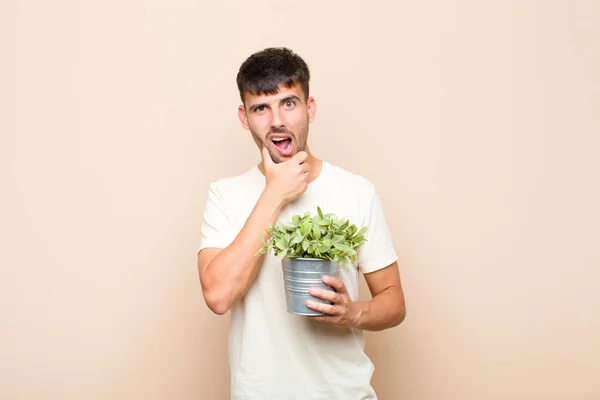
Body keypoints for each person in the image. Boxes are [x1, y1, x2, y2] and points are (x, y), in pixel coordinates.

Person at [197, 47, 406, 400]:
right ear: (244, 117)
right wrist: (274, 194)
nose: (276, 120)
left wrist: (353, 313)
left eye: (288, 103)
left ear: (309, 108)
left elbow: (394, 301)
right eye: (260, 107)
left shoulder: (356, 191)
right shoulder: (225, 194)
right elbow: (218, 296)